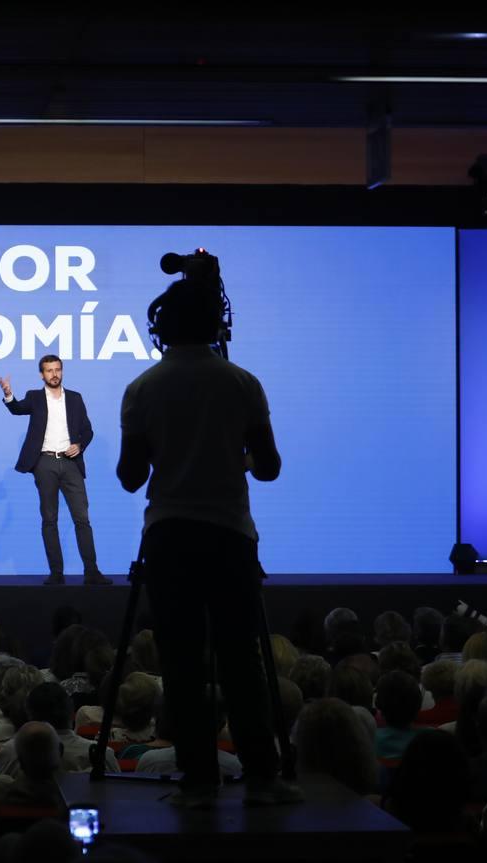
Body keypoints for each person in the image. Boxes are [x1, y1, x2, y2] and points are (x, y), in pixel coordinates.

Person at [115, 276, 300, 809]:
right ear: (217, 325)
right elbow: (268, 467)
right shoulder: (242, 383)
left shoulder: (142, 389)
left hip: (169, 537)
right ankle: (263, 775)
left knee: (182, 660)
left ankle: (198, 780)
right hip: (231, 537)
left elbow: (130, 477)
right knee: (241, 658)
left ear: (161, 328)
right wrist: (231, 458)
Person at [0, 355, 112, 585]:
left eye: (57, 369)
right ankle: (57, 573)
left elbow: (88, 430)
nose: (54, 374)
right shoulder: (35, 397)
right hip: (45, 463)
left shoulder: (75, 398)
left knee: (82, 519)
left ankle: (91, 572)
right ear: (42, 374)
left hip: (72, 464)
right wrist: (9, 394)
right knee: (49, 519)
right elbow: (17, 409)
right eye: (49, 370)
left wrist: (80, 445)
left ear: (62, 371)